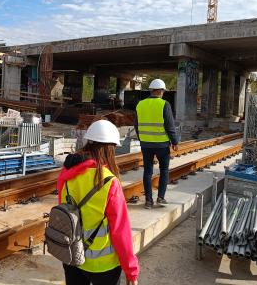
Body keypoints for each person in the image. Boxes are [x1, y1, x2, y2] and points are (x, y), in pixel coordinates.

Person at [57, 120, 139, 285]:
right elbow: (120, 232)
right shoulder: (109, 182)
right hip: (103, 265)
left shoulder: (66, 173)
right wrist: (132, 271)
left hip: (72, 256)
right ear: (110, 148)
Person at [134, 78, 179, 210]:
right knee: (164, 170)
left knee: (147, 171)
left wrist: (142, 138)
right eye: (163, 91)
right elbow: (170, 126)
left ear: (151, 90)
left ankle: (148, 201)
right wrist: (175, 142)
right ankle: (160, 197)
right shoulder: (164, 104)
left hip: (146, 144)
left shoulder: (140, 104)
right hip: (162, 145)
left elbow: (136, 125)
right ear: (160, 91)